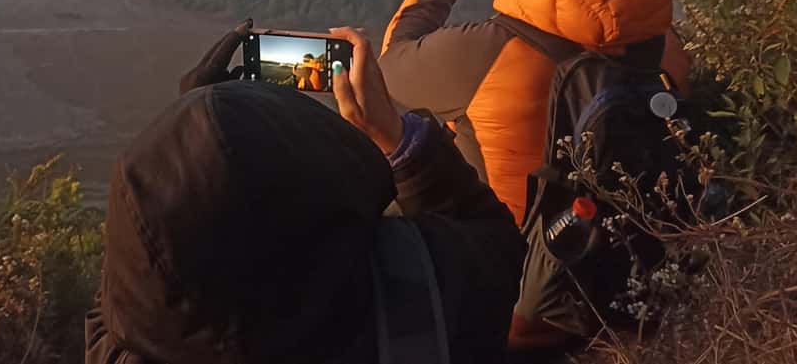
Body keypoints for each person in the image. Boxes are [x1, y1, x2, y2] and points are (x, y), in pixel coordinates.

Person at [377, 0, 691, 348]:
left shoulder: (484, 53)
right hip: (631, 287)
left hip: (512, 301)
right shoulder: (663, 40)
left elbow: (392, 66)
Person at [85, 21, 524, 364]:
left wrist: (191, 142)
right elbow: (496, 247)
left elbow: (133, 279)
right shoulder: (415, 313)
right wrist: (392, 134)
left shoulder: (122, 350)